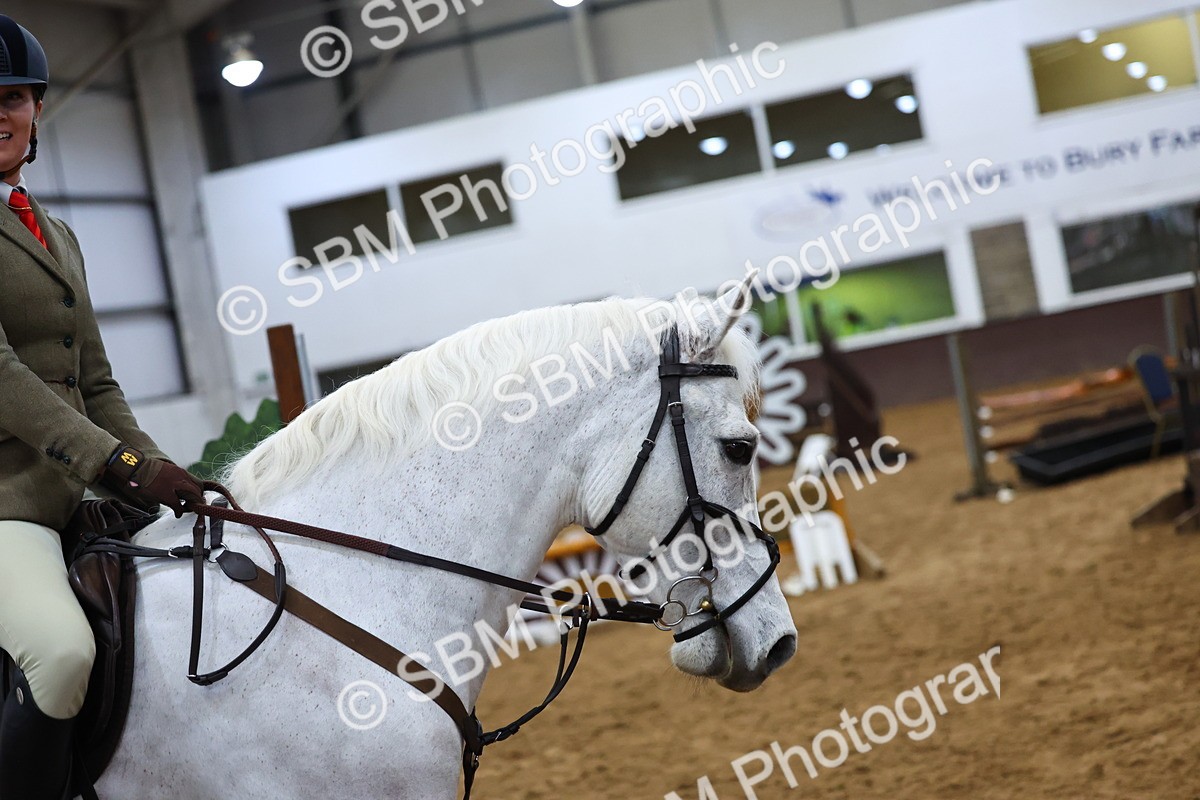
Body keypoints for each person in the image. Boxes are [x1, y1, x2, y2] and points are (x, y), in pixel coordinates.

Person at [0, 15, 204, 800]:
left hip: (72, 499)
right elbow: (4, 377)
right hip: (5, 506)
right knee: (61, 653)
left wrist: (159, 473)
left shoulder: (56, 233)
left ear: (36, 110)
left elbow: (98, 384)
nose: (0, 114)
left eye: (12, 97)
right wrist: (121, 466)